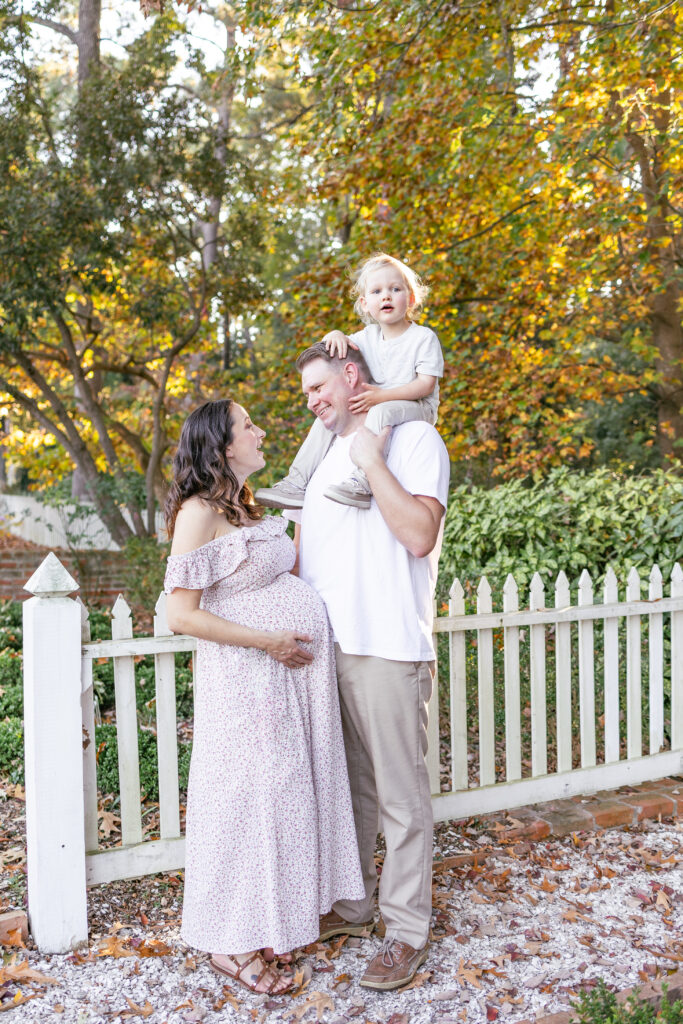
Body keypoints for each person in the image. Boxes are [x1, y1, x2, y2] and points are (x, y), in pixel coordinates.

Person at [163, 399, 365, 996]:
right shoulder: (199, 513)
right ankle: (228, 944)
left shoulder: (247, 505)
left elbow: (319, 446)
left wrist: (341, 365)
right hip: (245, 683)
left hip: (285, 683)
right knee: (245, 805)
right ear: (223, 446)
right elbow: (180, 614)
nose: (260, 430)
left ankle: (266, 924)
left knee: (280, 805)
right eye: (248, 425)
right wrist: (268, 641)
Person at [285, 343, 450, 991]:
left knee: (400, 801)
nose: (312, 401)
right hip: (329, 650)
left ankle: (405, 930)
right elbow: (307, 558)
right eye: (305, 394)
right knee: (348, 793)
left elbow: (417, 535)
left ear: (351, 375)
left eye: (318, 387)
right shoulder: (320, 459)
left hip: (387, 646)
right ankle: (353, 906)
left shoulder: (412, 440)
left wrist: (371, 462)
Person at [255, 252, 444, 511]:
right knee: (327, 419)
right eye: (377, 291)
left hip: (417, 407)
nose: (386, 296)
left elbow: (426, 386)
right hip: (377, 402)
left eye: (395, 289)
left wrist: (381, 397)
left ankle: (363, 480)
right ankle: (296, 483)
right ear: (365, 304)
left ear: (410, 298)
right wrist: (333, 334)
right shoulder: (368, 336)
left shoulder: (423, 338)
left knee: (380, 411)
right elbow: (337, 341)